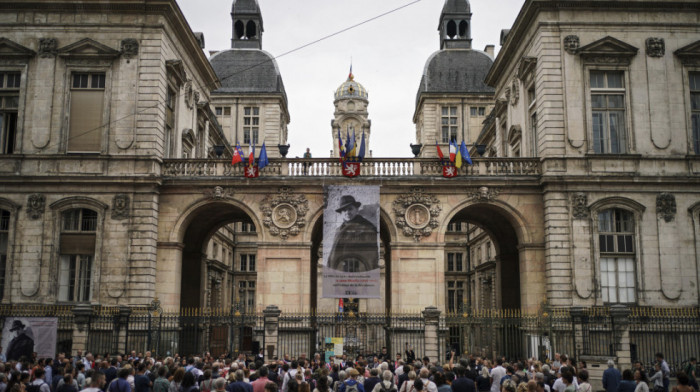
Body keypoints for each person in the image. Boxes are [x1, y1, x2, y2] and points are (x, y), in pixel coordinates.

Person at [328, 195, 379, 272]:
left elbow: (371, 255)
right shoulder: (339, 229)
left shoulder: (366, 227)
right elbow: (333, 253)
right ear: (341, 212)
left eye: (350, 209)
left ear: (356, 209)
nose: (347, 212)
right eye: (344, 210)